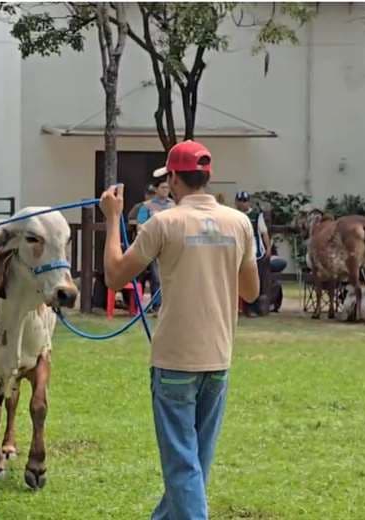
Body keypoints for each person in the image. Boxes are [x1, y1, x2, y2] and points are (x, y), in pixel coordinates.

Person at [99, 140, 260, 520]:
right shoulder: (239, 223)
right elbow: (251, 291)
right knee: (195, 463)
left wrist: (111, 219)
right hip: (218, 357)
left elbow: (114, 276)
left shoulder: (163, 223)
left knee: (182, 465)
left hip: (174, 359)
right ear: (207, 177)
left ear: (173, 179)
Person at [138, 180, 175, 313]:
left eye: (167, 187)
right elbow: (140, 226)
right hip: (154, 246)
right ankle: (157, 305)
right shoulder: (147, 207)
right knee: (156, 277)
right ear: (156, 189)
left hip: (172, 246)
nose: (165, 190)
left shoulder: (175, 206)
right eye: (163, 187)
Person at [235, 191, 269, 316]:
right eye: (239, 201)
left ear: (248, 202)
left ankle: (256, 307)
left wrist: (268, 248)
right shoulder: (235, 215)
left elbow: (264, 232)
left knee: (256, 280)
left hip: (256, 252)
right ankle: (246, 308)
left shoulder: (256, 215)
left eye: (244, 201)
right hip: (240, 252)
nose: (242, 204)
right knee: (242, 281)